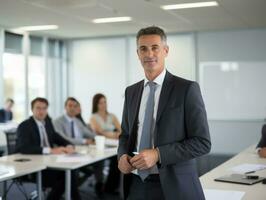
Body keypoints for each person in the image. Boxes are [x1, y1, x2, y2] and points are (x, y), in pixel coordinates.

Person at [118, 26, 211, 200]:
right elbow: (125, 135)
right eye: (143, 49)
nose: (149, 54)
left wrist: (158, 154)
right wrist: (122, 156)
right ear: (137, 53)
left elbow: (202, 142)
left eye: (155, 48)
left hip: (175, 185)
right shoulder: (131, 92)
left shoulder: (186, 89)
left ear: (165, 51)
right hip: (137, 184)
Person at [16, 97, 81, 200]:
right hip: (33, 167)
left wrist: (68, 145)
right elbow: (24, 147)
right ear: (32, 109)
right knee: (67, 175)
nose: (41, 111)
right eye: (38, 108)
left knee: (70, 172)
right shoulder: (24, 126)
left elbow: (55, 136)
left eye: (44, 108)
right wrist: (50, 150)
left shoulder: (47, 122)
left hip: (49, 162)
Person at [90, 93, 121, 193]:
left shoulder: (112, 116)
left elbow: (121, 130)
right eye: (100, 103)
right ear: (96, 104)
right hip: (101, 145)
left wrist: (112, 134)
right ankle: (100, 184)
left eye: (105, 102)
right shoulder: (93, 117)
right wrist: (114, 134)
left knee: (118, 159)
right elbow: (99, 132)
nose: (103, 105)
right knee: (101, 162)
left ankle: (110, 187)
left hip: (114, 145)